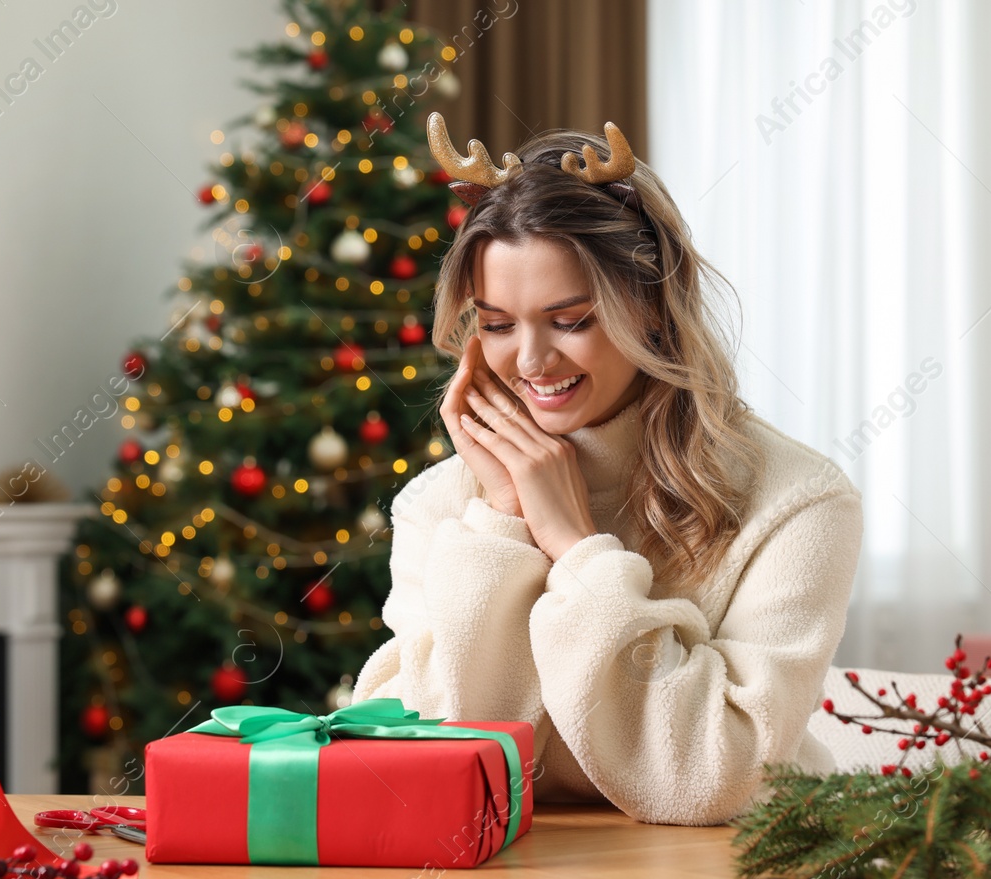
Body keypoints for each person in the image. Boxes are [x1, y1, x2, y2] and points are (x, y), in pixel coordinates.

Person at [351, 113, 864, 826]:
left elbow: (711, 777)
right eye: (497, 324)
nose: (530, 361)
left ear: (650, 307)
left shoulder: (797, 502)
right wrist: (504, 523)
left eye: (570, 320)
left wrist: (579, 551)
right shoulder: (441, 507)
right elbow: (422, 761)